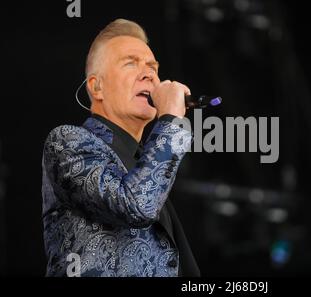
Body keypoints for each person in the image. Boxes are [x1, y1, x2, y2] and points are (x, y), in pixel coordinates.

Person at [41, 19, 200, 277]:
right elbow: (136, 205)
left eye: (152, 67)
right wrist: (170, 120)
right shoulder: (67, 142)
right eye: (130, 63)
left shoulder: (145, 161)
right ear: (96, 86)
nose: (149, 74)